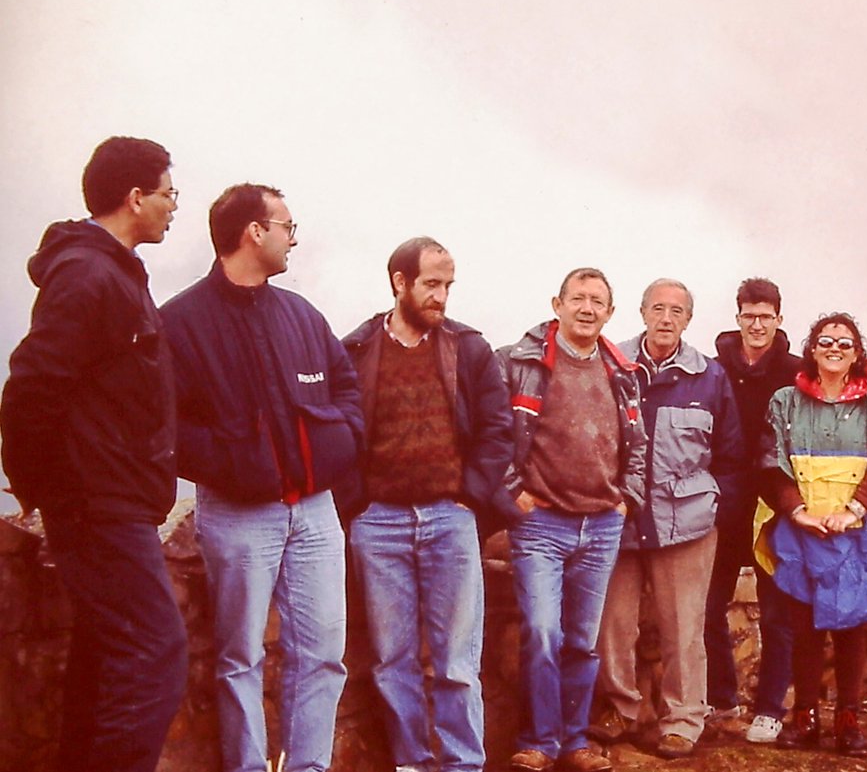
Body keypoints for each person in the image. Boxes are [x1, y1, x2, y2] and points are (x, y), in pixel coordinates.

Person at [161, 183, 364, 772]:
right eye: (286, 226)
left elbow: (346, 386)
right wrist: (231, 467)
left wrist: (341, 441)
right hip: (238, 512)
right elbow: (165, 424)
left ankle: (308, 767)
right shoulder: (181, 322)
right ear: (254, 231)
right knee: (239, 657)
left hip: (316, 512)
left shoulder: (300, 314)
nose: (293, 238)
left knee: (323, 654)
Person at [0, 136, 187, 772]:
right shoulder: (89, 273)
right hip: (97, 506)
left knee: (108, 657)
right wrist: (44, 491)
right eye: (168, 192)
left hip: (112, 503)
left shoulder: (113, 272)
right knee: (157, 654)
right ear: (135, 198)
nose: (173, 205)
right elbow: (30, 386)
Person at [337, 237, 513, 772]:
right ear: (399, 282)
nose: (441, 297)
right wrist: (360, 507)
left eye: (448, 286)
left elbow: (497, 431)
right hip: (379, 523)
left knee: (459, 659)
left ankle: (463, 764)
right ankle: (412, 762)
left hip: (449, 518)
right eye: (431, 284)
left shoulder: (470, 349)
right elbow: (340, 434)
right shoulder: (357, 350)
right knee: (393, 660)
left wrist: (470, 502)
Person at [498, 267, 647, 772]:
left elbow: (639, 448)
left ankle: (574, 742)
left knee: (583, 641)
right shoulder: (520, 363)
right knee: (542, 632)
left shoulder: (621, 372)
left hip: (601, 524)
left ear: (610, 313)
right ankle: (537, 742)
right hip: (540, 522)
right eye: (577, 298)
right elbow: (494, 435)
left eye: (597, 301)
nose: (587, 308)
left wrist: (626, 500)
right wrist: (513, 496)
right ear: (556, 304)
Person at [591, 278, 743, 760]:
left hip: (688, 524)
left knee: (684, 628)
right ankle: (621, 710)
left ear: (688, 320)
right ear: (641, 312)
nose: (666, 318)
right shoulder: (610, 364)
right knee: (613, 624)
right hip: (621, 518)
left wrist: (715, 504)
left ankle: (683, 719)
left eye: (676, 311)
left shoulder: (709, 377)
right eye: (657, 308)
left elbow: (731, 455)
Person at [760, 312, 867, 758]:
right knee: (803, 625)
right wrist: (797, 510)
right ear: (812, 349)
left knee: (852, 626)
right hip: (802, 528)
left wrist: (855, 509)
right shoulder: (784, 402)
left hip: (858, 530)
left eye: (844, 343)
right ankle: (805, 714)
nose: (834, 348)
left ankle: (849, 716)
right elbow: (770, 461)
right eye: (825, 341)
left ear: (857, 353)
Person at [709, 278, 802, 745]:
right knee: (710, 603)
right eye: (749, 315)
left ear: (779, 319)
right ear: (738, 317)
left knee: (777, 609)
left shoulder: (795, 371)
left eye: (766, 316)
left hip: (776, 503)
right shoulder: (714, 369)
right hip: (725, 500)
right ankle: (722, 698)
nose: (758, 324)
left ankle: (769, 708)